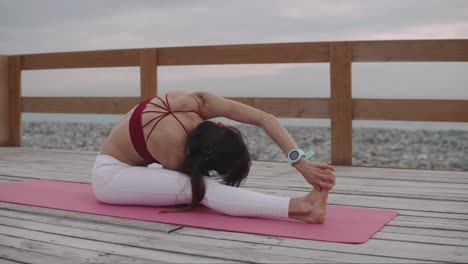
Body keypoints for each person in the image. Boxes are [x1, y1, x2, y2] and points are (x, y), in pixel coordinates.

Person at [92, 90, 336, 223]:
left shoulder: (195, 102)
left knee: (198, 186)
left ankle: (304, 206)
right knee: (204, 189)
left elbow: (265, 118)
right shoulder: (174, 153)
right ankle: (303, 208)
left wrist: (300, 161)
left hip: (138, 167)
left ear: (221, 124)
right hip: (110, 177)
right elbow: (203, 189)